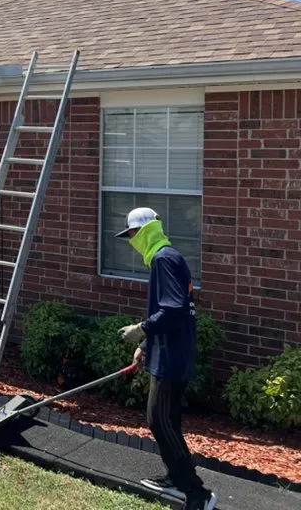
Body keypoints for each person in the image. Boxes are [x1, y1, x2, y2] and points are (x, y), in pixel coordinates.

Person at [116, 207, 217, 510]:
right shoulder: (168, 257)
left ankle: (196, 493)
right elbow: (173, 310)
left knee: (159, 420)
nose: (131, 241)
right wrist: (148, 344)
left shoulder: (163, 260)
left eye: (132, 234)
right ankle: (176, 477)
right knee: (167, 420)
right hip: (170, 351)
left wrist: (141, 329)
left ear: (144, 231)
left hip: (172, 358)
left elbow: (173, 310)